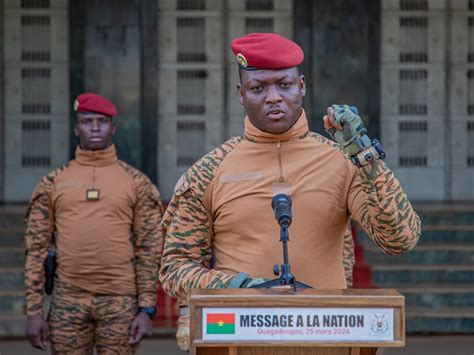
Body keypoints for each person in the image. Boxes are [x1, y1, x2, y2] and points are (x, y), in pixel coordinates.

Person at [160, 31, 420, 311]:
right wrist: (240, 288)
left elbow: (400, 239)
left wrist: (366, 156)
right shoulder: (209, 170)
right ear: (241, 93)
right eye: (258, 88)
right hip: (241, 335)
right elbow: (175, 269)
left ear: (302, 86)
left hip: (326, 332)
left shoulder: (341, 160)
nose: (273, 98)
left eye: (284, 85)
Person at [24, 93, 164, 354]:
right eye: (88, 122)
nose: (96, 128)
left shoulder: (137, 183)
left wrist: (146, 308)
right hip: (68, 299)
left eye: (102, 121)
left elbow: (149, 249)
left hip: (119, 301)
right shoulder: (53, 183)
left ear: (113, 127)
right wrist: (33, 311)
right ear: (77, 129)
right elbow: (37, 249)